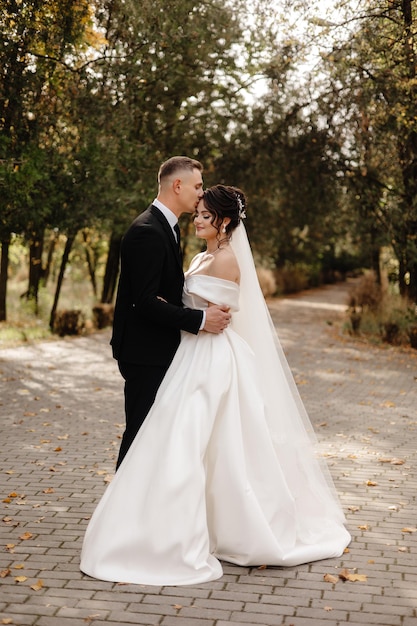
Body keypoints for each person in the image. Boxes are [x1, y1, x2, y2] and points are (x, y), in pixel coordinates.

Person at [80, 185, 351, 586]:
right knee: (178, 438)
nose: (197, 219)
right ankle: (161, 523)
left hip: (210, 357)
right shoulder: (200, 256)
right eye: (196, 214)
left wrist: (202, 319)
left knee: (196, 440)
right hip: (187, 353)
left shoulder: (225, 261)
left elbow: (220, 314)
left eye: (204, 215)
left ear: (223, 221)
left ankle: (201, 530)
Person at [111, 156, 231, 469]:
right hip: (145, 353)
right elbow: (146, 301)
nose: (201, 193)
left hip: (159, 351)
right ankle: (120, 510)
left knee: (153, 436)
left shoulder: (167, 227)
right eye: (197, 185)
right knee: (140, 434)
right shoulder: (148, 230)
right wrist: (202, 319)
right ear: (177, 186)